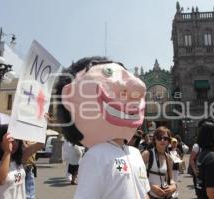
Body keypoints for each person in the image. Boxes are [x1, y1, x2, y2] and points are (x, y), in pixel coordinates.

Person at [56, 57, 150, 199]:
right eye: (108, 72)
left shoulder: (136, 154)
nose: (138, 86)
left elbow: (144, 193)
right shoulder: (95, 156)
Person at [0, 125, 44, 199]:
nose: (15, 144)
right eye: (11, 140)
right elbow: (0, 181)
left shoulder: (18, 158)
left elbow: (40, 144)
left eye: (17, 140)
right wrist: (7, 152)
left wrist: (43, 124)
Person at [141, 126, 176, 199]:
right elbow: (137, 176)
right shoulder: (147, 154)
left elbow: (171, 179)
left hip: (165, 196)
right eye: (159, 138)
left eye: (165, 138)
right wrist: (151, 186)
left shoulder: (169, 158)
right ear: (155, 140)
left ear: (168, 141)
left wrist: (173, 186)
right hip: (149, 196)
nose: (162, 140)